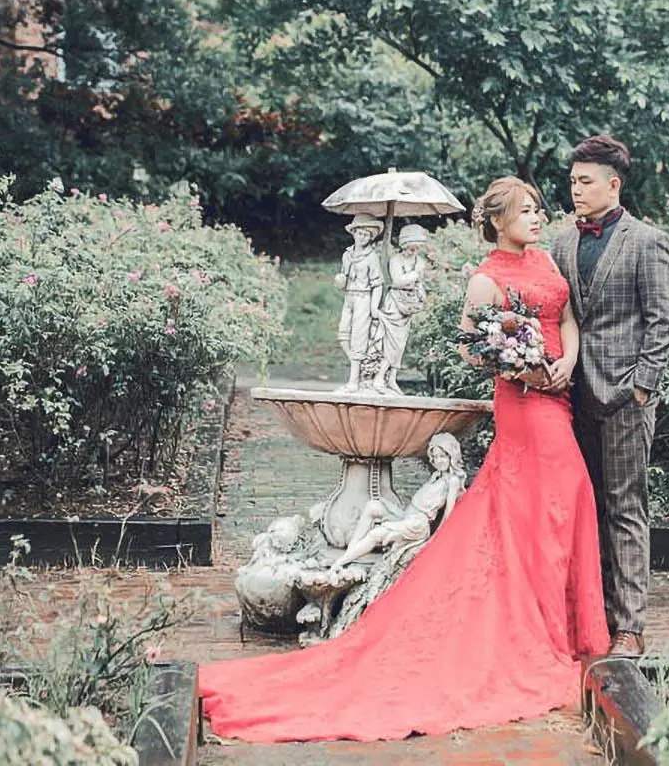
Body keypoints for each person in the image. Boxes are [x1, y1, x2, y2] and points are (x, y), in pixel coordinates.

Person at [197, 177, 608, 743]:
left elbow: (565, 320)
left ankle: (561, 623)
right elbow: (471, 347)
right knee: (544, 502)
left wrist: (567, 362)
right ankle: (535, 625)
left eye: (538, 209)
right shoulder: (486, 279)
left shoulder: (545, 262)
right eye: (525, 211)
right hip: (524, 405)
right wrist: (517, 367)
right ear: (497, 221)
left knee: (562, 500)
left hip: (558, 393)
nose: (537, 217)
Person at [550, 134, 669, 658]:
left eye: (585, 182)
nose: (576, 190)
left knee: (626, 508)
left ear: (614, 184)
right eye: (572, 182)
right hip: (573, 397)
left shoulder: (647, 241)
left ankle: (630, 626)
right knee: (587, 509)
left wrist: (643, 386)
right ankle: (595, 617)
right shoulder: (561, 243)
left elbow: (662, 320)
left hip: (627, 396)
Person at [332, 433, 466, 569]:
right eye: (435, 457)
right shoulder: (437, 475)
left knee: (375, 534)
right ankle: (349, 554)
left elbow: (449, 514)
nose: (438, 461)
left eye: (442, 456)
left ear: (451, 456)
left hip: (417, 524)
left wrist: (437, 538)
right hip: (408, 514)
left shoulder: (452, 481)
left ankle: (338, 564)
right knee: (373, 506)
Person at [371, 223, 429, 394]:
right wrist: (413, 275)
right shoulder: (396, 260)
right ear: (404, 245)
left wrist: (422, 294)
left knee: (401, 343)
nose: (413, 251)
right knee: (392, 342)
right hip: (394, 305)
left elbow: (418, 283)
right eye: (410, 248)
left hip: (408, 306)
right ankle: (379, 377)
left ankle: (391, 379)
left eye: (416, 248)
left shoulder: (420, 262)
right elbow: (397, 281)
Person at [334, 214, 384, 392]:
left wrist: (374, 307)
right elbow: (343, 278)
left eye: (366, 235)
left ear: (371, 237)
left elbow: (377, 284)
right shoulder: (347, 254)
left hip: (364, 297)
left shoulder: (372, 257)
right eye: (360, 233)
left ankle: (354, 380)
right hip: (349, 297)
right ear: (353, 232)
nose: (362, 237)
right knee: (343, 334)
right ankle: (361, 365)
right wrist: (340, 280)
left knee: (358, 338)